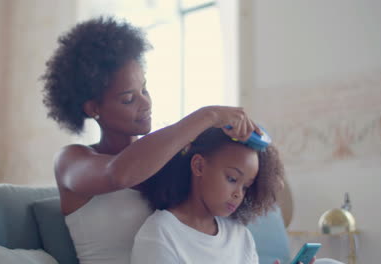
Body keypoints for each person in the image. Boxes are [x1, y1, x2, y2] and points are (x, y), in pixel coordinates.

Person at [41, 16, 262, 264]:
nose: (145, 103)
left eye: (144, 90)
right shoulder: (71, 160)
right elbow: (120, 174)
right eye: (128, 99)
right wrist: (208, 115)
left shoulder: (163, 158)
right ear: (93, 108)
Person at [131, 127, 289, 264]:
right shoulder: (161, 234)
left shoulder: (240, 235)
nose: (238, 194)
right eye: (232, 179)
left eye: (246, 187)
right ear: (199, 166)